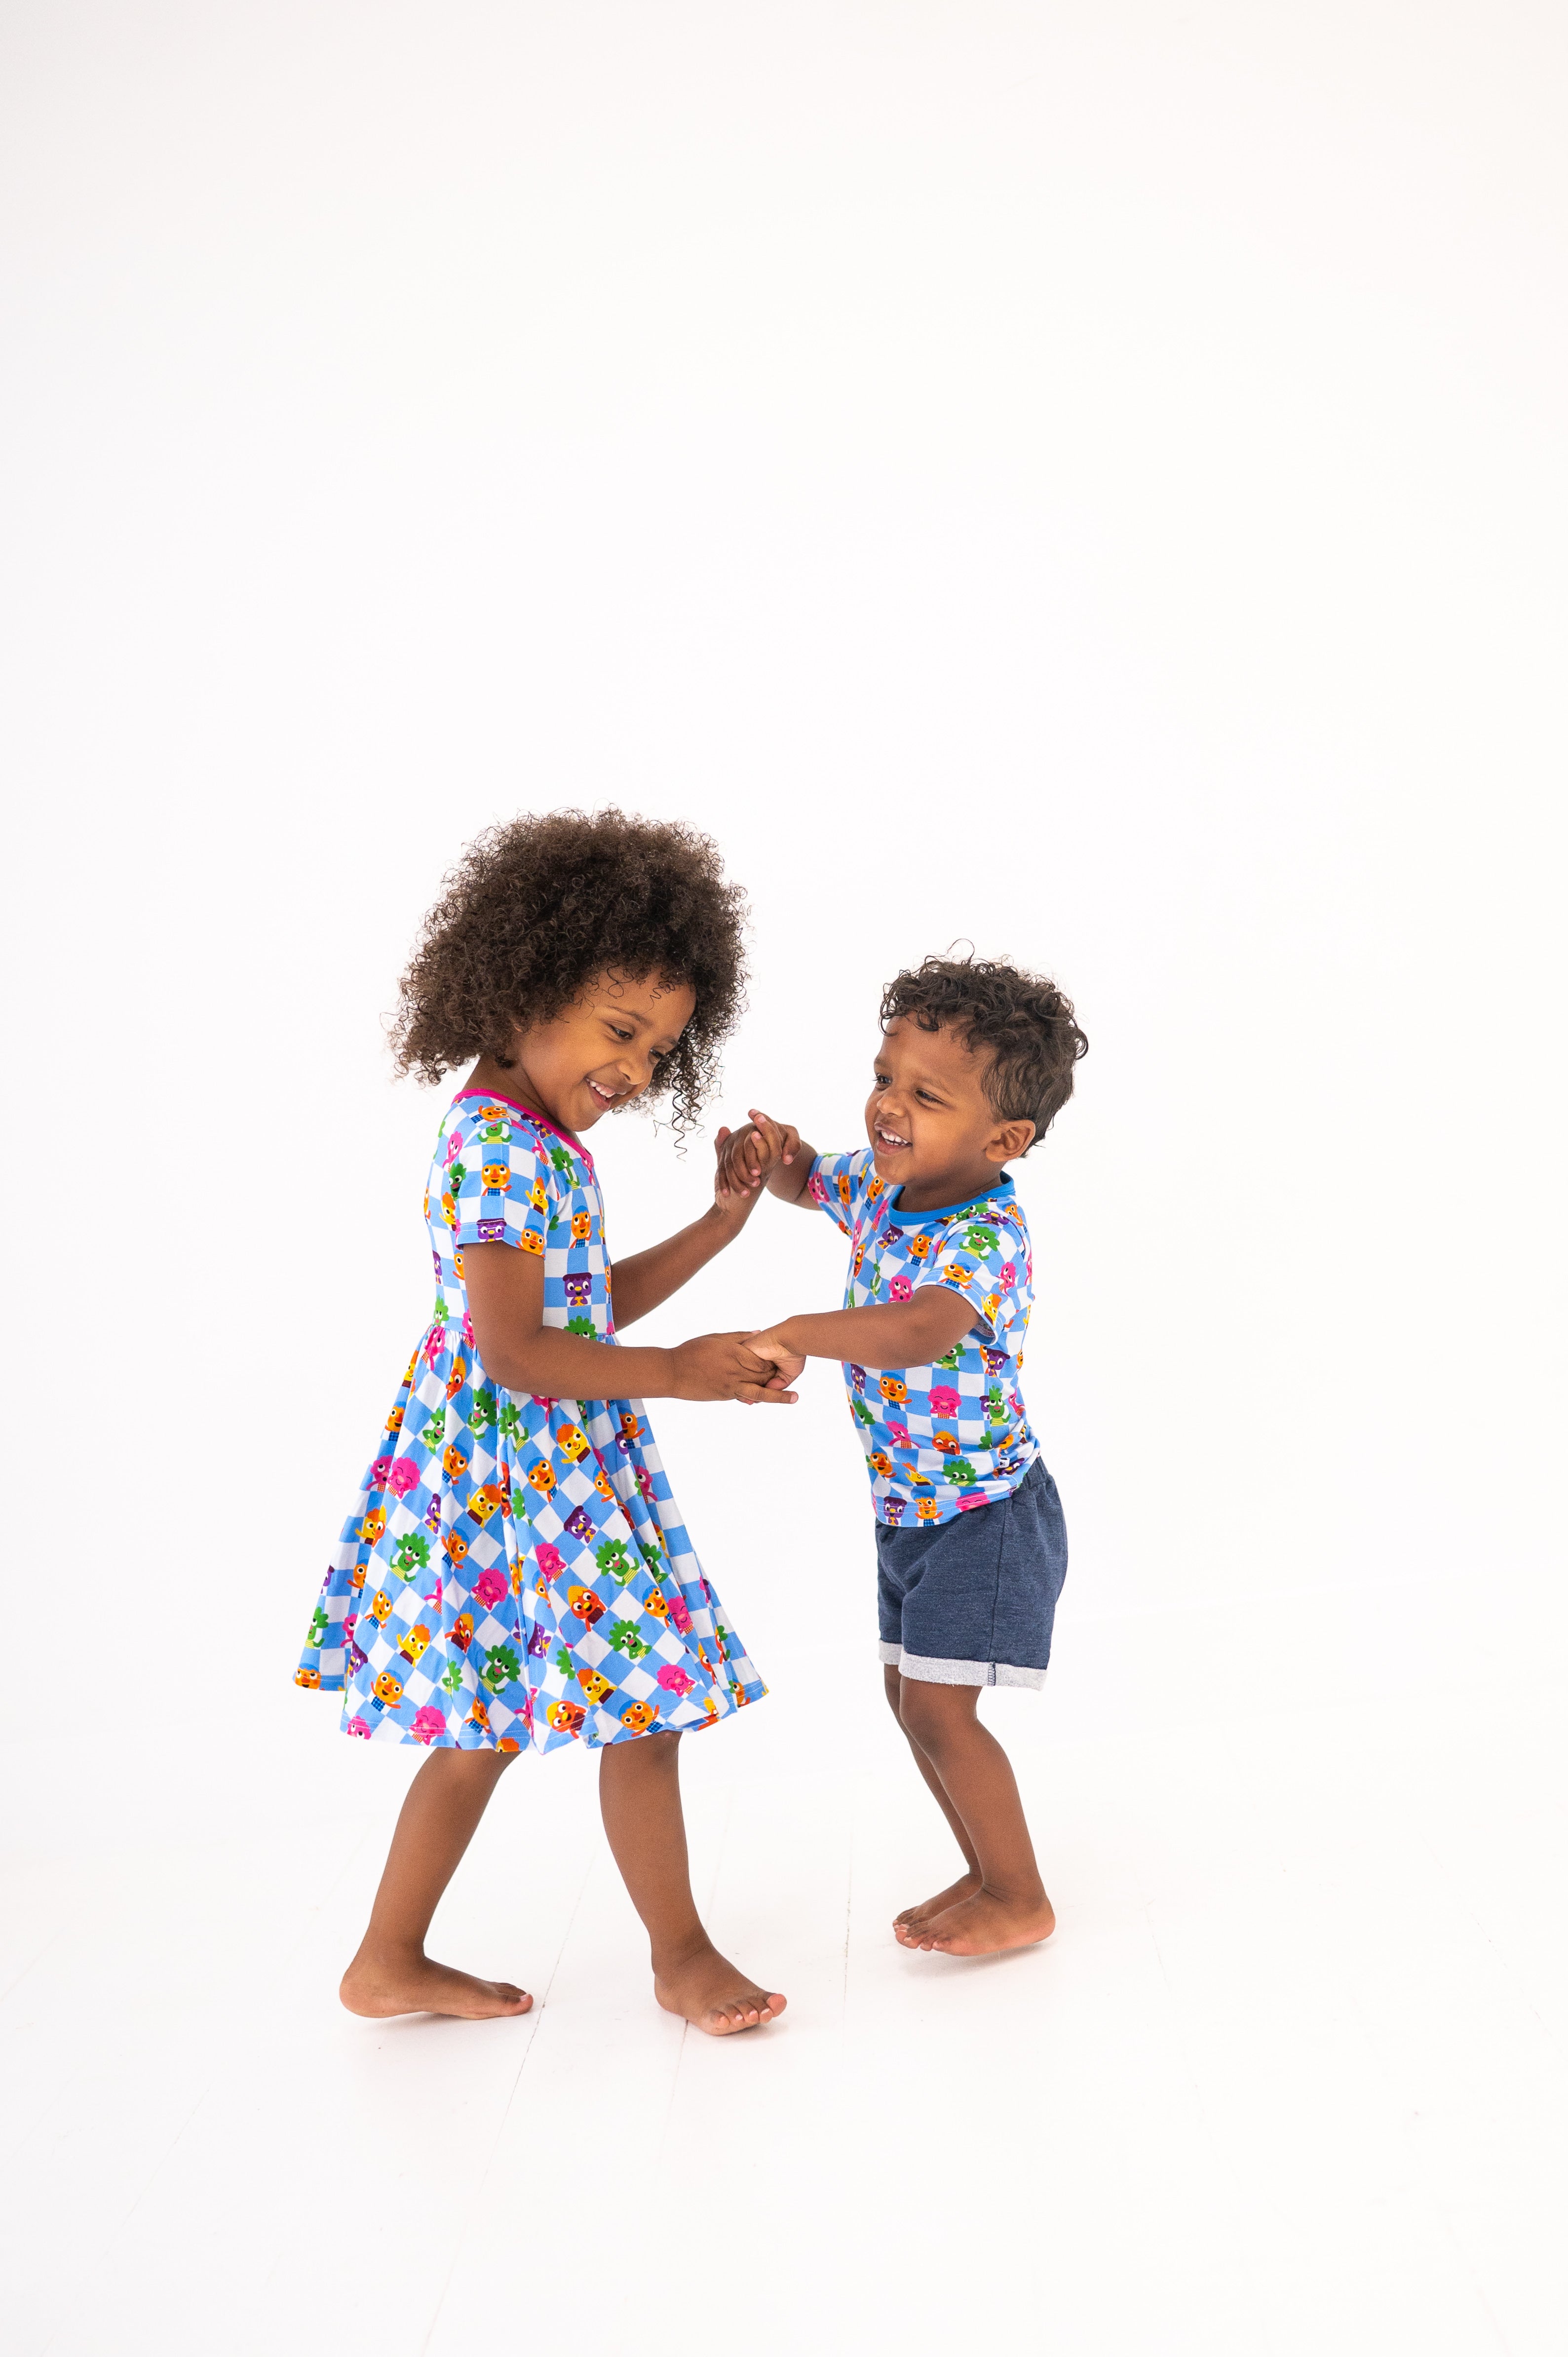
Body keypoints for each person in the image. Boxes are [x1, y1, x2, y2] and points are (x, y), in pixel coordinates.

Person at [296, 810, 793, 2033]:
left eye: (659, 1049)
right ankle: (676, 1958)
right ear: (523, 989)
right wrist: (677, 1371)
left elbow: (579, 1303)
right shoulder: (500, 1151)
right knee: (633, 1706)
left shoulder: (532, 1138)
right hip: (514, 1468)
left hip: (543, 1458)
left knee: (507, 1727)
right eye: (620, 1030)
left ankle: (388, 1960)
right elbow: (518, 1351)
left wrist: (720, 1228)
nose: (634, 1068)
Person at [721, 954, 1087, 1957]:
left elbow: (917, 1330)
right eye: (885, 1076)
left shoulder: (983, 1233)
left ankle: (1020, 1895)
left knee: (936, 1708)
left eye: (925, 1096)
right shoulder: (887, 1186)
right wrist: (777, 1154)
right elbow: (809, 1181)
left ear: (1002, 1139)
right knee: (910, 1702)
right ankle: (986, 1870)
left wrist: (799, 1328)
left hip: (985, 1514)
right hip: (910, 1511)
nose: (888, 1106)